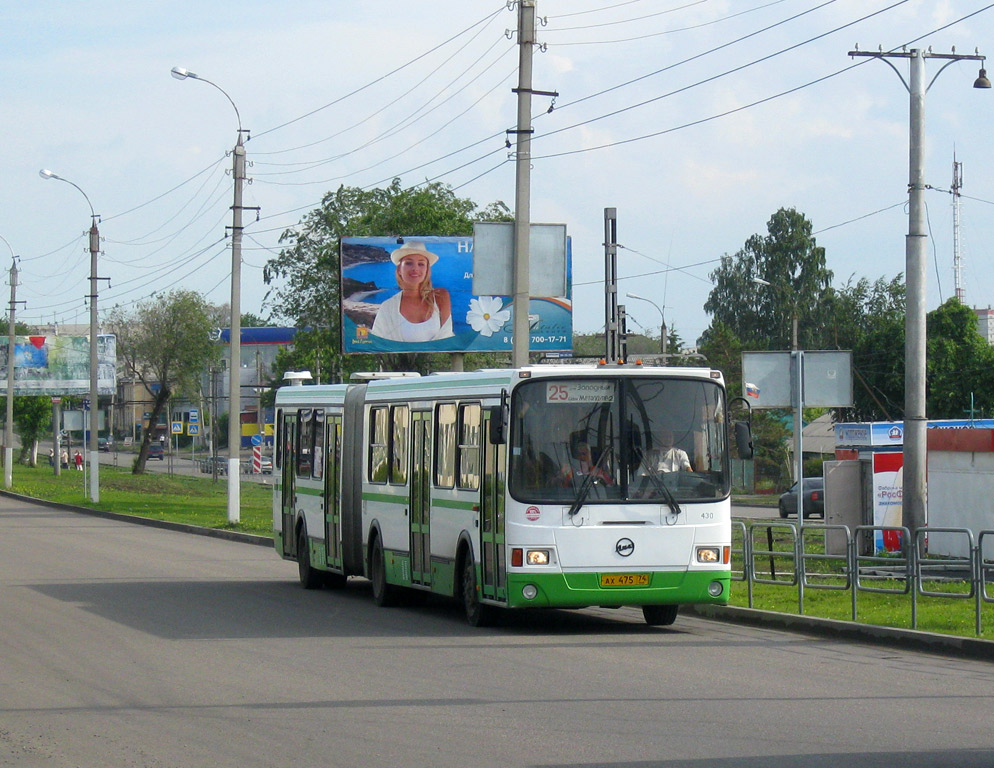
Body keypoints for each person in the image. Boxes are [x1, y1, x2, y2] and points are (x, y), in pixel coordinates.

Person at [371, 241, 453, 342]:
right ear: (399, 270)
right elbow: (378, 343)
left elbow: (447, 339)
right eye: (409, 263)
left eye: (421, 264)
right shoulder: (388, 307)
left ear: (427, 270)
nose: (415, 268)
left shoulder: (441, 296)